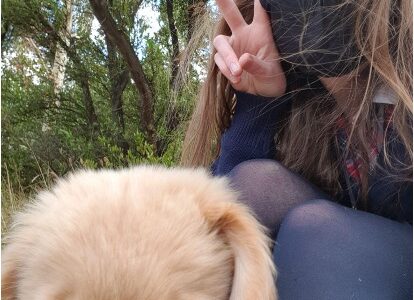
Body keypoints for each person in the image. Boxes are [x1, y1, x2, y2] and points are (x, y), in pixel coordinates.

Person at [181, 0, 413, 298]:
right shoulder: (304, 106)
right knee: (251, 190)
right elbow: (217, 224)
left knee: (314, 232)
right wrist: (258, 101)